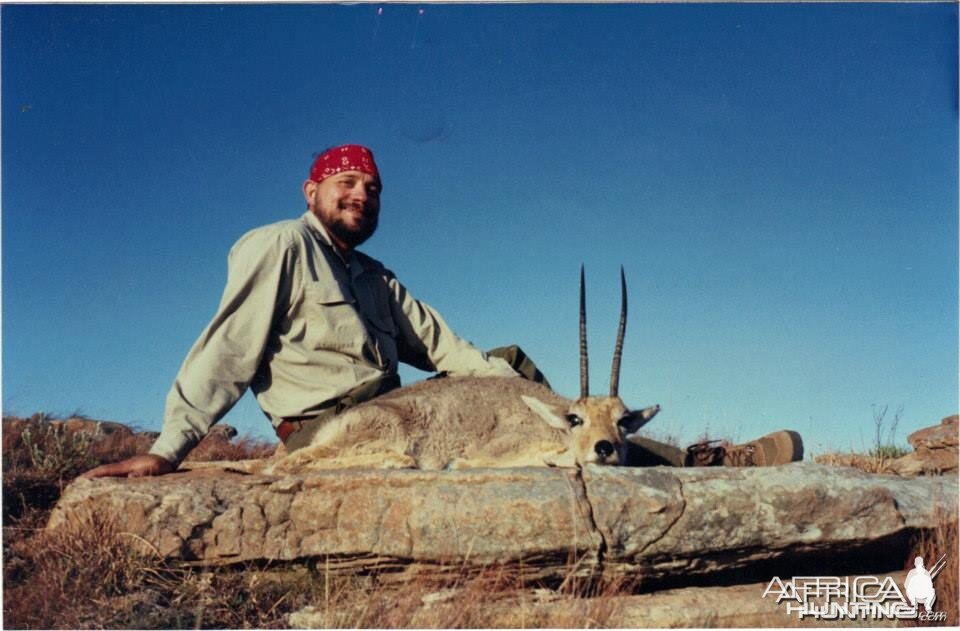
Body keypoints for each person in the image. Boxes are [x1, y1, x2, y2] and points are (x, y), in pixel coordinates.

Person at [84, 144, 801, 478]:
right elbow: (226, 352)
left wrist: (528, 393)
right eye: (345, 183)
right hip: (338, 430)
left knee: (512, 362)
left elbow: (446, 348)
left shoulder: (372, 275)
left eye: (372, 187)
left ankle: (625, 443)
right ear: (311, 191)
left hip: (398, 406)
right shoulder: (278, 247)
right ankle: (702, 463)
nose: (360, 195)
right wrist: (167, 448)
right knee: (526, 394)